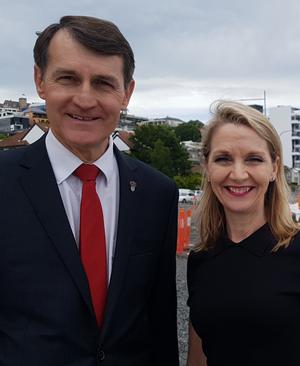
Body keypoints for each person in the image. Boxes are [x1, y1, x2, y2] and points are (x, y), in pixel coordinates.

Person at [0, 16, 179, 366]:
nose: (85, 99)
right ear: (40, 80)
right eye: (68, 78)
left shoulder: (158, 194)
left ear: (126, 93)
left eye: (103, 83)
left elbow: (160, 321)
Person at [186, 101, 300, 365]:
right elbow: (198, 360)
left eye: (254, 159)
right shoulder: (200, 261)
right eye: (223, 159)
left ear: (273, 168)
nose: (237, 174)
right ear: (207, 167)